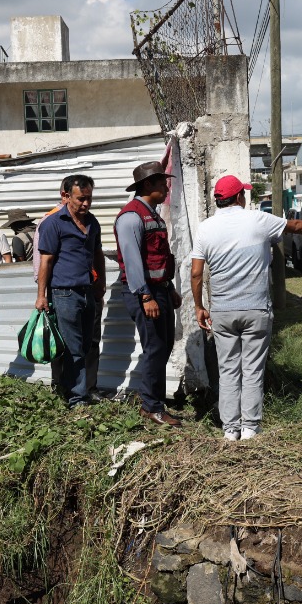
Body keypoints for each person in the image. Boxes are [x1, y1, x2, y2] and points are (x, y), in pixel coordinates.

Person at [190, 174, 302, 441]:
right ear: (238, 197)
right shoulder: (258, 220)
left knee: (228, 370)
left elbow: (197, 273)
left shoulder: (205, 228)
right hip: (256, 310)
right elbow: (294, 226)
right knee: (253, 369)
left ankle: (230, 430)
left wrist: (200, 306)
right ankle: (250, 428)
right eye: (244, 193)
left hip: (222, 311)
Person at [115, 161, 181, 427]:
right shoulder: (131, 217)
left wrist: (170, 288)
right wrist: (146, 296)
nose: (167, 187)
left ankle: (154, 401)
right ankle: (151, 406)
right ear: (147, 185)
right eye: (161, 182)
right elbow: (132, 263)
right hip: (145, 294)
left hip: (159, 290)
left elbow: (158, 259)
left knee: (162, 347)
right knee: (154, 348)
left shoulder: (152, 214)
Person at [34, 174, 105, 406]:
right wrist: (41, 296)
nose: (85, 203)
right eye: (81, 199)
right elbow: (46, 260)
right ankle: (78, 400)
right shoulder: (52, 223)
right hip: (64, 293)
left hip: (87, 292)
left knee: (85, 346)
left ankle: (69, 390)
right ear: (65, 196)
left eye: (89, 199)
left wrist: (100, 284)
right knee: (73, 348)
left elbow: (97, 254)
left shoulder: (92, 222)